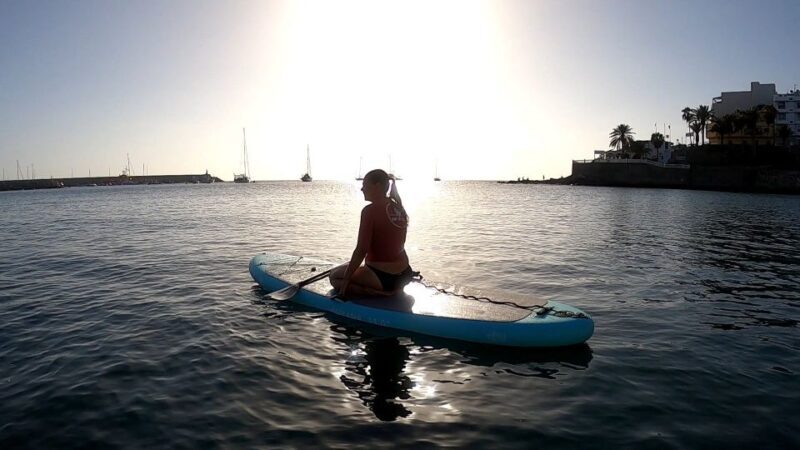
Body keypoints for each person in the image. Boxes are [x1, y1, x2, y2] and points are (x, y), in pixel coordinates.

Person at [329, 169, 413, 297]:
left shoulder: (369, 211)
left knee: (334, 276)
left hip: (383, 277)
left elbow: (361, 250)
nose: (362, 189)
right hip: (405, 273)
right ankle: (392, 289)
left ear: (377, 186)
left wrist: (345, 284)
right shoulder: (398, 208)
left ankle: (379, 293)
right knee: (347, 267)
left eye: (365, 185)